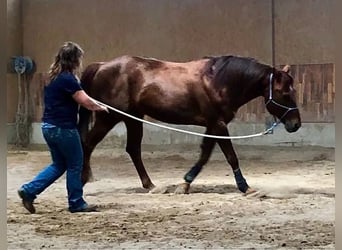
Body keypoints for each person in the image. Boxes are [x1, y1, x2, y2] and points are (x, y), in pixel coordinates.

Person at [18, 41, 108, 213]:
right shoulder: (68, 79)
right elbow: (85, 101)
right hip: (64, 129)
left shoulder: (53, 77)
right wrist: (101, 107)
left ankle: (29, 190)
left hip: (48, 127)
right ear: (74, 60)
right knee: (75, 164)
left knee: (58, 165)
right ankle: (76, 203)